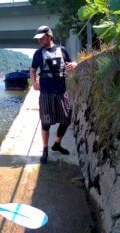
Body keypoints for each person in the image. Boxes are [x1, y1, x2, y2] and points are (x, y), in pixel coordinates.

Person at [30, 25, 77, 164]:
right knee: (46, 123)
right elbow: (32, 70)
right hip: (46, 93)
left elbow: (71, 63)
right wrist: (34, 82)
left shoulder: (62, 50)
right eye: (38, 39)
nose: (39, 41)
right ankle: (45, 150)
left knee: (66, 120)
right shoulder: (38, 54)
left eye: (42, 38)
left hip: (61, 92)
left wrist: (74, 64)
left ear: (50, 36)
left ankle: (57, 144)